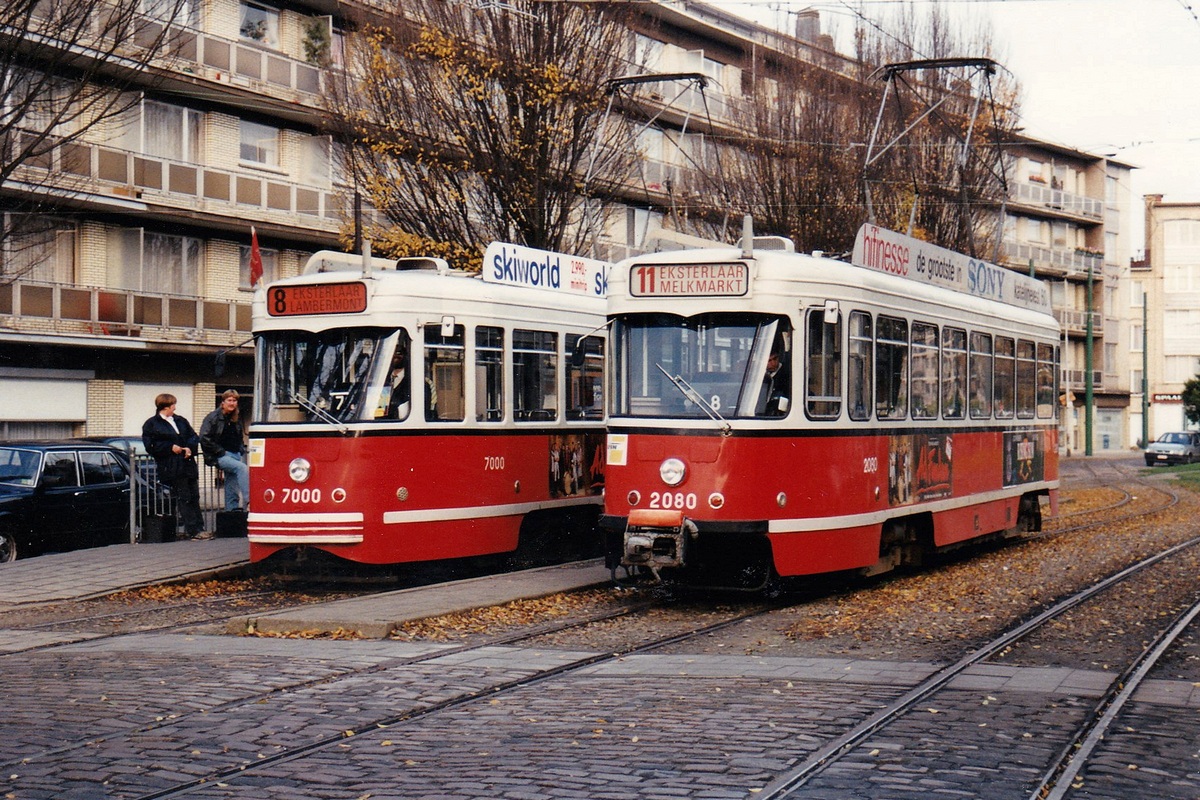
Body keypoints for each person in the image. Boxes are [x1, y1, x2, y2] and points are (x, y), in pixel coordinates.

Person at [142, 393, 208, 539]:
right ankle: (193, 530)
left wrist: (189, 447)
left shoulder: (180, 420)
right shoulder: (151, 424)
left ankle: (200, 527)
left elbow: (193, 436)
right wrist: (170, 447)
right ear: (166, 407)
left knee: (194, 496)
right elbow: (150, 445)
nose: (175, 408)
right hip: (172, 466)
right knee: (184, 497)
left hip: (187, 464)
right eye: (173, 405)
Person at [199, 389, 250, 512]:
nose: (232, 403)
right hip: (221, 455)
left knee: (232, 488)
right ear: (223, 402)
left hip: (235, 454)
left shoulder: (235, 417)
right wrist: (220, 451)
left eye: (234, 400)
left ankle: (231, 513)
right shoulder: (213, 417)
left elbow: (238, 436)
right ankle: (250, 501)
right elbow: (204, 437)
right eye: (229, 400)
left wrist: (241, 448)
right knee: (242, 468)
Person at [756, 348, 791, 416]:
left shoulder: (787, 373)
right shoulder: (758, 374)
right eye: (769, 360)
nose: (773, 363)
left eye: (775, 359)